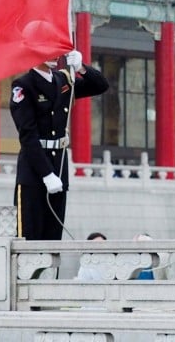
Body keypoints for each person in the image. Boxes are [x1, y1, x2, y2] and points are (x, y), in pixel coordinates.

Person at [10, 49, 108, 240]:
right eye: (49, 50)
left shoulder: (63, 80)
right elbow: (28, 136)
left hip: (59, 166)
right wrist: (46, 174)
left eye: (58, 50)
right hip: (35, 171)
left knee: (53, 237)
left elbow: (101, 86)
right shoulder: (23, 86)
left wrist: (81, 68)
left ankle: (51, 272)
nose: (56, 55)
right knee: (30, 236)